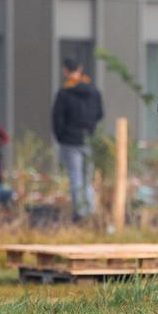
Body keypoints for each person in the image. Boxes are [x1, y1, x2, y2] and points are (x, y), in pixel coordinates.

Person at [52, 58, 103, 221]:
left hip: (70, 141)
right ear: (80, 68)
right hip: (88, 139)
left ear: (65, 71)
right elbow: (100, 113)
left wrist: (61, 136)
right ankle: (90, 212)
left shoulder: (64, 93)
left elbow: (57, 118)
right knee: (87, 180)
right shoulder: (94, 91)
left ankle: (80, 214)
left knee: (76, 178)